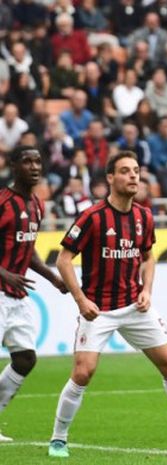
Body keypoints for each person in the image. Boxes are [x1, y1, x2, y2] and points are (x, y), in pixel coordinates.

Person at [47, 151, 167, 458]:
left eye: (136, 171)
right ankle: (58, 439)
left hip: (134, 306)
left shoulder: (144, 216)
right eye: (125, 171)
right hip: (98, 309)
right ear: (110, 178)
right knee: (83, 372)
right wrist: (81, 299)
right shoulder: (92, 217)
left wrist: (147, 290)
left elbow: (148, 257)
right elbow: (63, 259)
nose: (133, 176)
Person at [0, 146, 68, 442]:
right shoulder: (2, 202)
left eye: (38, 161)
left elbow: (27, 249)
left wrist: (53, 277)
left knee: (25, 358)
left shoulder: (38, 205)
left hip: (17, 296)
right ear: (13, 166)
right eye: (26, 161)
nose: (34, 166)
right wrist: (3, 273)